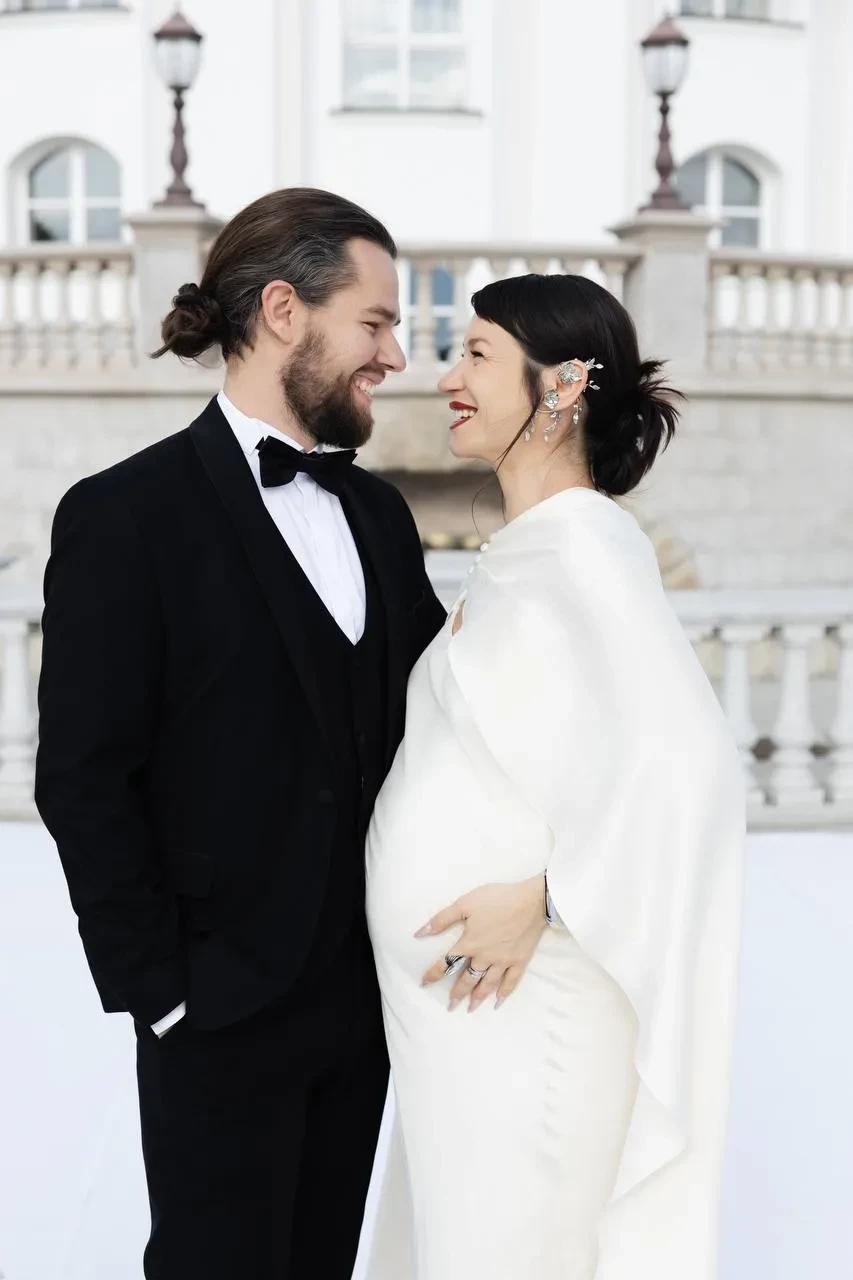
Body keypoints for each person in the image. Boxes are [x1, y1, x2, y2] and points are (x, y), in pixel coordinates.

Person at [35, 187, 444, 1280]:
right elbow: (82, 776)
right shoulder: (124, 515)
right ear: (281, 311)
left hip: (366, 1007)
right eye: (374, 322)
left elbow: (430, 727)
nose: (395, 354)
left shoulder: (380, 516)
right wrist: (163, 994)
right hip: (215, 1010)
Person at [364, 273, 745, 1280]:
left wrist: (544, 899)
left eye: (476, 355)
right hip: (470, 1026)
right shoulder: (532, 549)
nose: (447, 377)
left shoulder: (584, 550)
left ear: (563, 384)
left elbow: (695, 776)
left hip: (527, 1015)